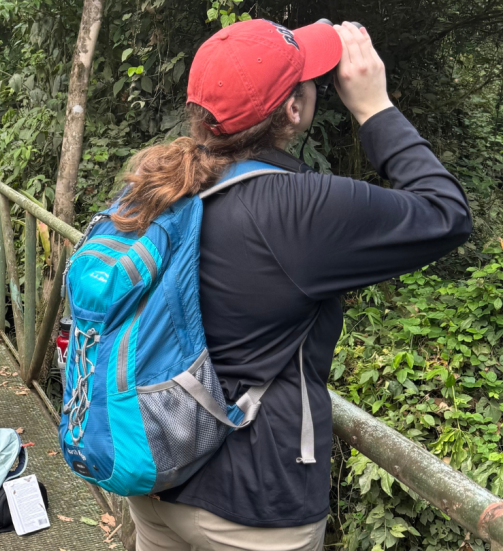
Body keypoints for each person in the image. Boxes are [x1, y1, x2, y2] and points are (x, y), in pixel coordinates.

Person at [113, 20, 472, 550]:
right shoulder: (300, 208)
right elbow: (446, 213)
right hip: (252, 505)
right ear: (293, 110)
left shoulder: (155, 185)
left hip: (155, 470)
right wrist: (375, 108)